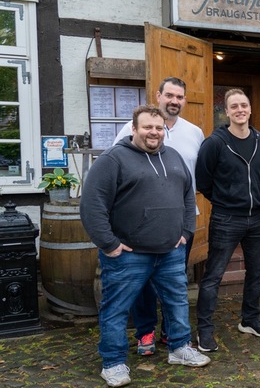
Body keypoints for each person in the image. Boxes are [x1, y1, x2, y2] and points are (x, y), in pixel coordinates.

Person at [80, 104, 210, 387]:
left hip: (170, 252)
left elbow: (189, 196)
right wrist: (109, 244)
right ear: (134, 128)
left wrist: (186, 231)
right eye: (147, 127)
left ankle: (179, 348)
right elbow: (92, 205)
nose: (154, 132)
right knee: (115, 309)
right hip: (128, 255)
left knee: (177, 302)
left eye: (158, 127)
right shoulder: (113, 160)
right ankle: (113, 363)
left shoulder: (173, 157)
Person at [113, 77, 204, 357]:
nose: (174, 101)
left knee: (174, 281)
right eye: (169, 95)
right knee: (143, 283)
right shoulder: (130, 130)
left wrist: (188, 226)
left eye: (179, 97)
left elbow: (197, 177)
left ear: (184, 100)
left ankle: (173, 333)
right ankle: (145, 331)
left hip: (179, 223)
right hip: (141, 224)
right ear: (158, 96)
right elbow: (114, 167)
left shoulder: (195, 132)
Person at [195, 89, 260, 352]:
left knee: (257, 272)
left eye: (244, 105)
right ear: (226, 112)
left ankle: (249, 320)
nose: (240, 109)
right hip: (227, 218)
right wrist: (225, 200)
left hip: (257, 218)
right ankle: (204, 331)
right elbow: (203, 181)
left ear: (250, 109)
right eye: (234, 106)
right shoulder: (215, 143)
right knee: (214, 275)